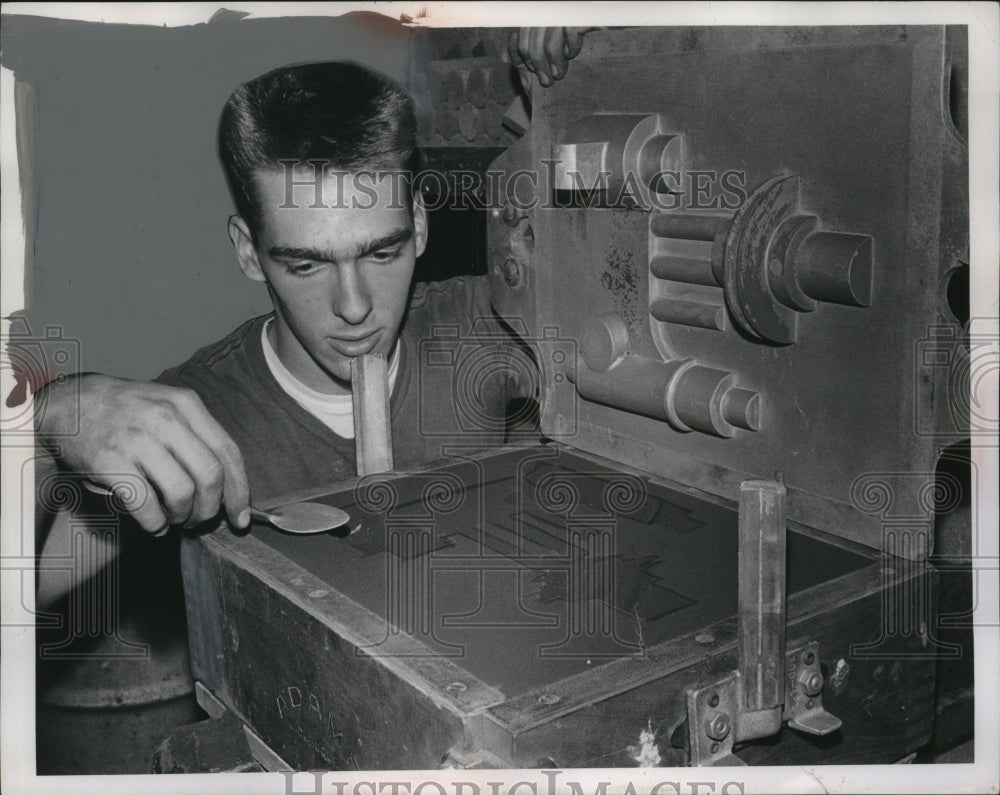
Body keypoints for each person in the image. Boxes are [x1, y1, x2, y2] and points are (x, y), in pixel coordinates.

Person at [33, 32, 591, 609]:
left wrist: (583, 57)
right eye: (306, 264)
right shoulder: (194, 419)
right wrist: (48, 421)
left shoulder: (488, 323)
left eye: (381, 252)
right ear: (249, 251)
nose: (354, 306)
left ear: (419, 226)